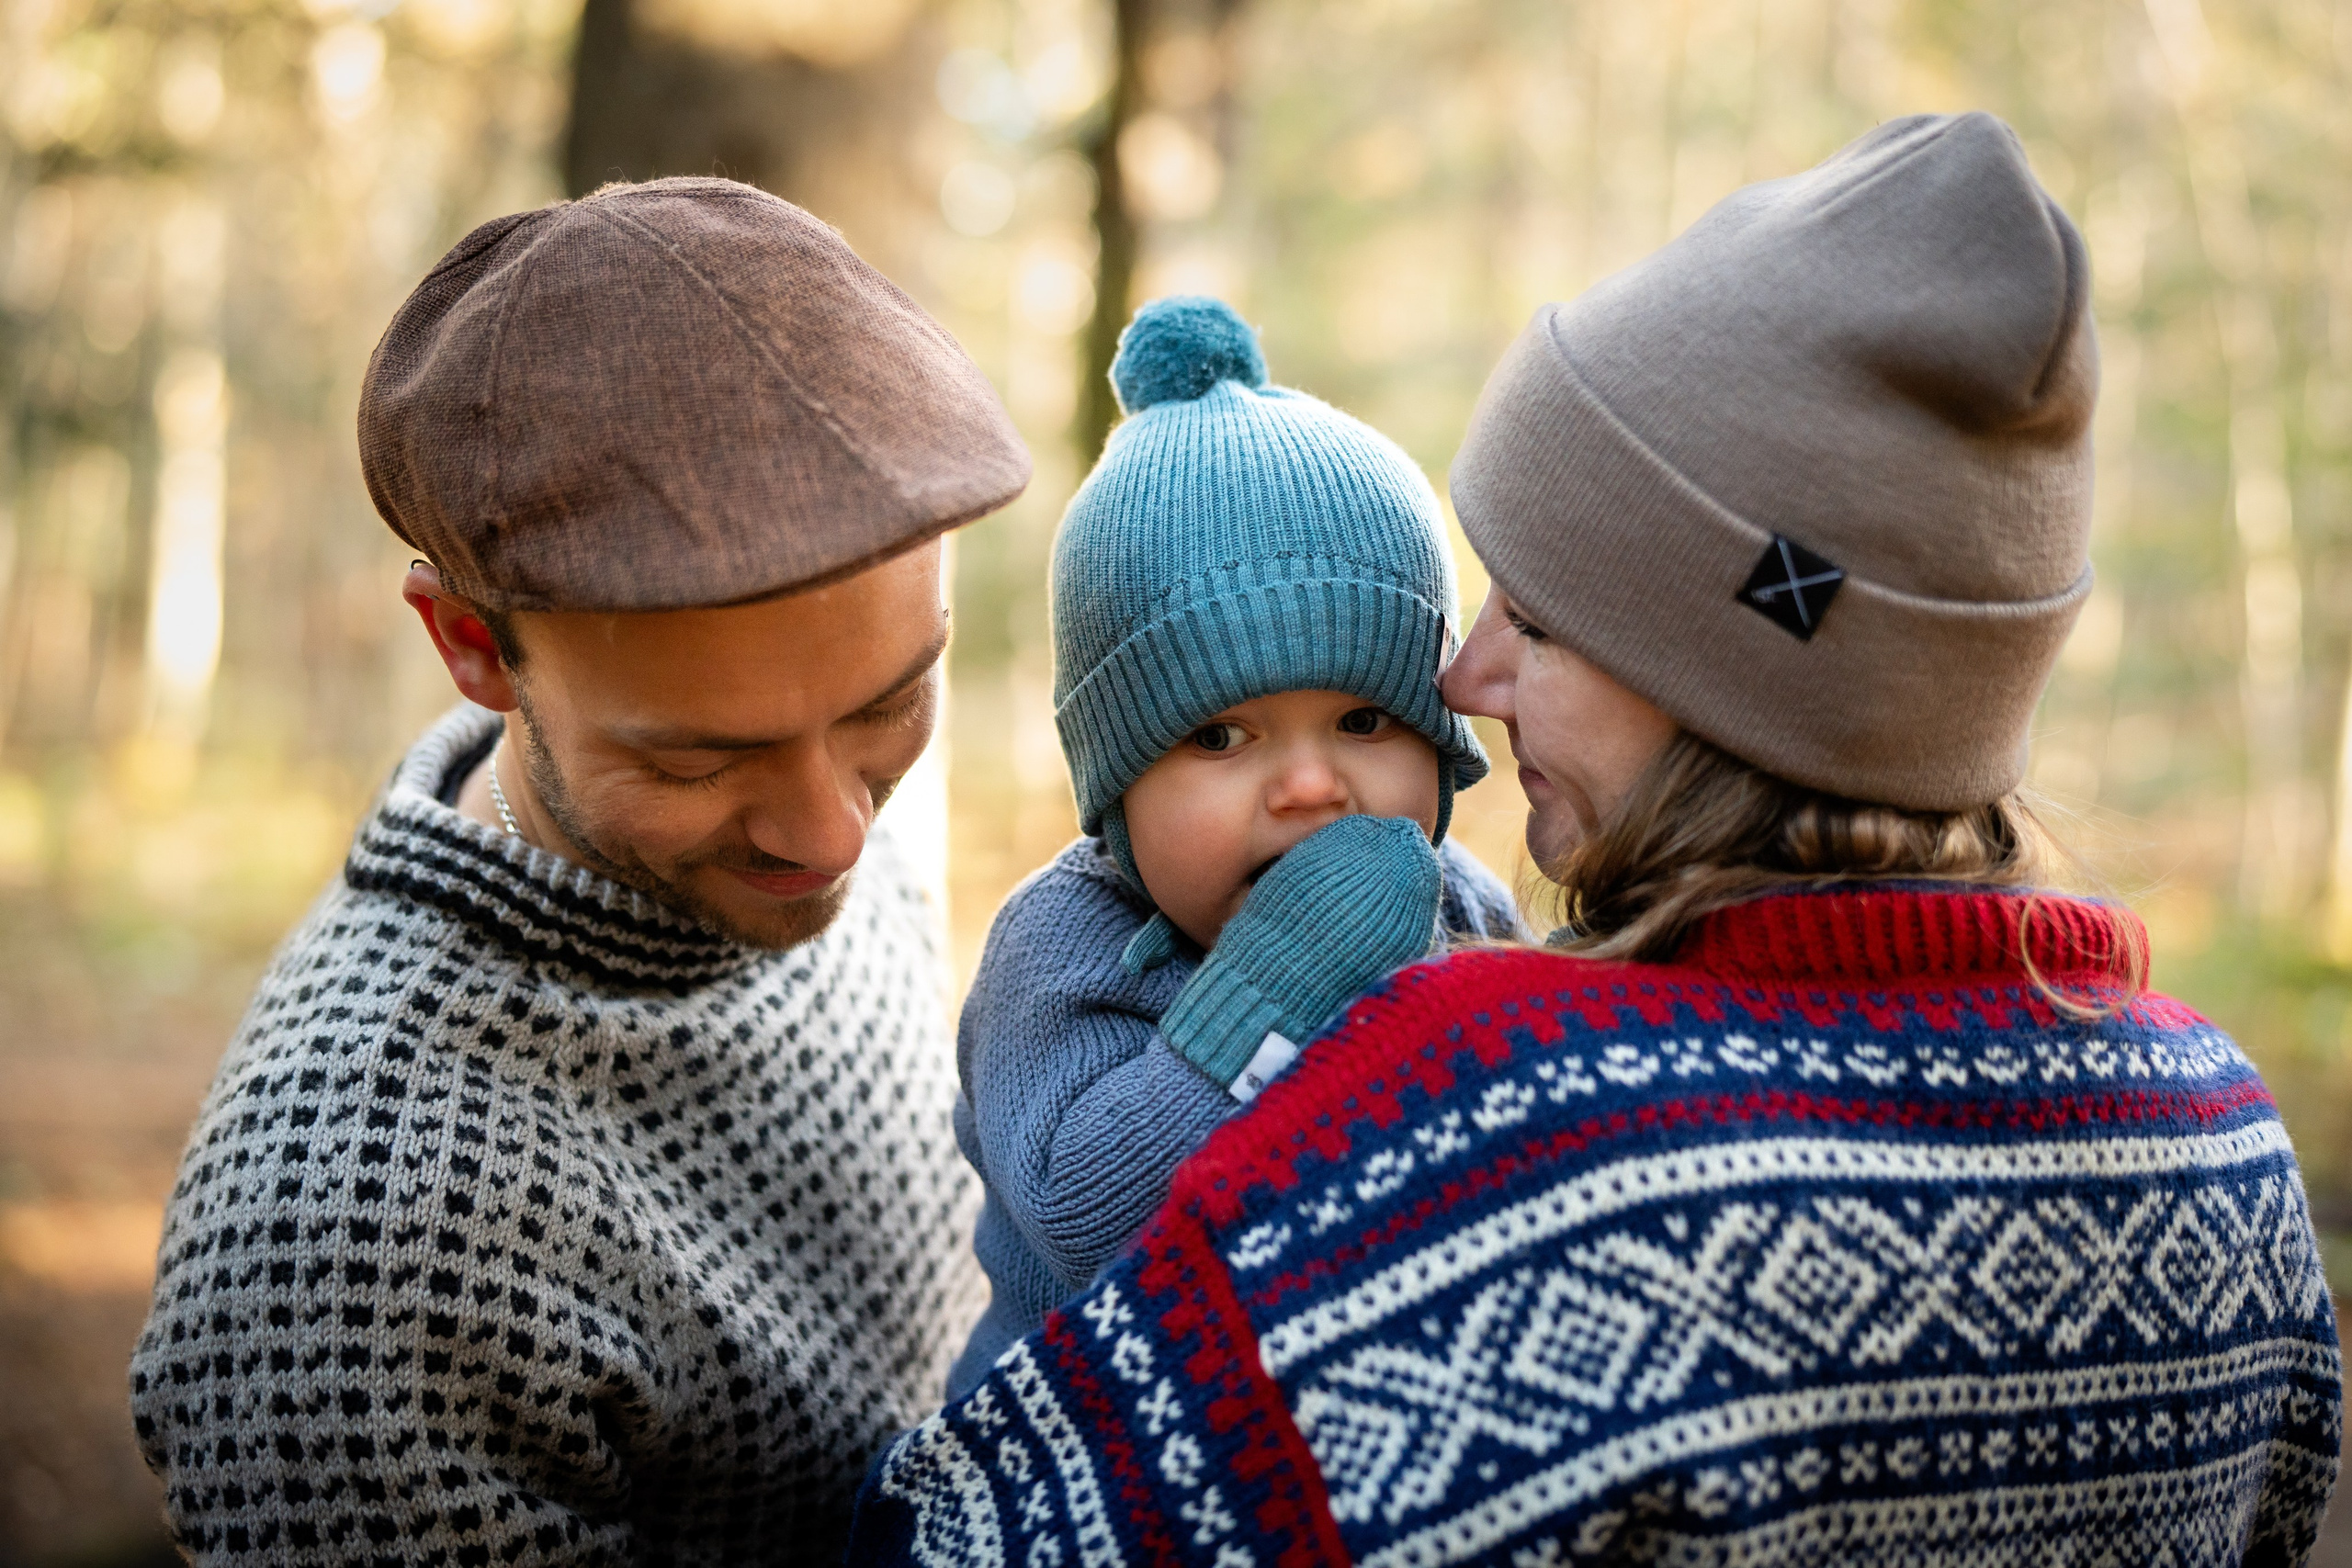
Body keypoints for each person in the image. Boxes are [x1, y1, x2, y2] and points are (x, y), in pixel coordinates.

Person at [846, 113, 2343, 1565]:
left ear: (1738, 665)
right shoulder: (2229, 1139)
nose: (1462, 677)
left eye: (1541, 616)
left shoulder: (1503, 1123)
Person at [129, 177, 1032, 1564]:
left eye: (889, 703)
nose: (835, 833)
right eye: (693, 762)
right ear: (475, 647)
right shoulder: (341, 1252)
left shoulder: (812, 828)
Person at [946, 297, 1521, 1398]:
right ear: (1116, 789)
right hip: (1082, 1457)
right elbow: (1091, 1225)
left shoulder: (1460, 903)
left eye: (1364, 721)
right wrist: (1274, 990)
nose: (1309, 785)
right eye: (1219, 737)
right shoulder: (1061, 950)